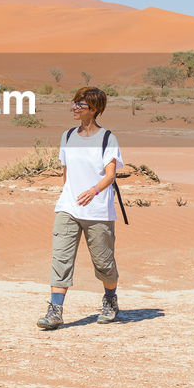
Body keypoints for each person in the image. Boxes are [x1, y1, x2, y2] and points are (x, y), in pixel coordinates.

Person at [37, 86, 122, 330]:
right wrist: (68, 195)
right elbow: (66, 172)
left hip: (97, 211)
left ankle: (110, 300)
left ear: (93, 110)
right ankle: (55, 311)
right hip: (68, 208)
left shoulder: (107, 138)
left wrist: (93, 191)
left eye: (80, 104)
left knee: (104, 263)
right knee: (61, 258)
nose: (74, 107)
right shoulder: (67, 136)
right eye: (74, 102)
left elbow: (110, 175)